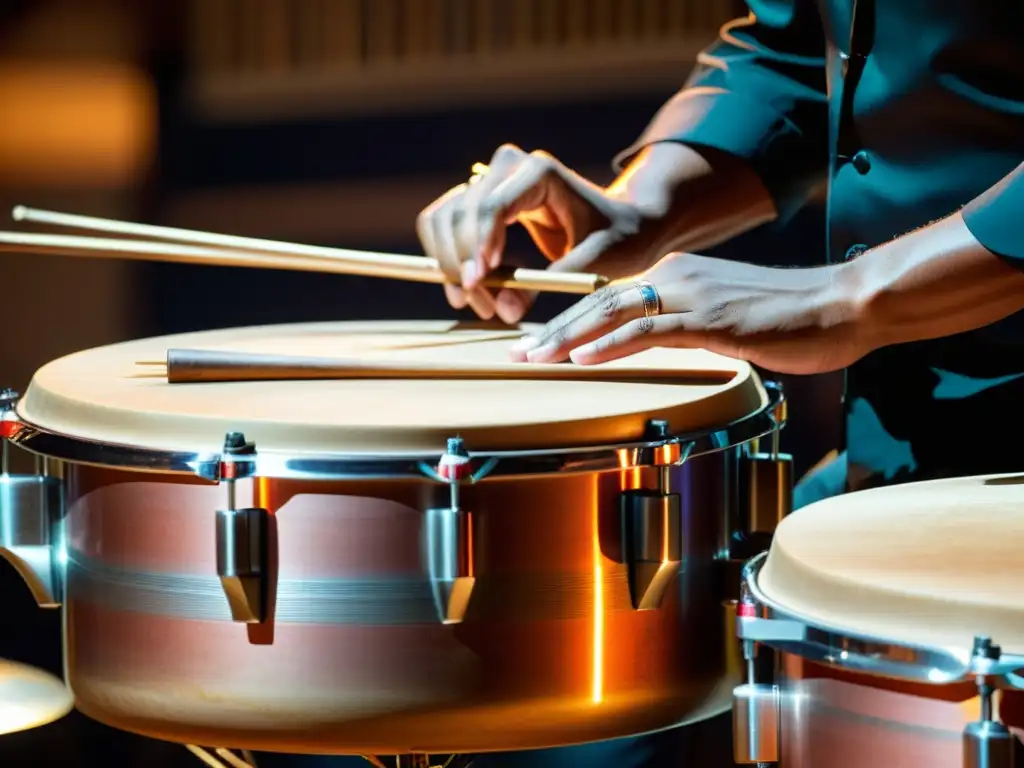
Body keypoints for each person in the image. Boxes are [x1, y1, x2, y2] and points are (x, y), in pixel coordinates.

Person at [409, 0, 1024, 766]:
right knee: (589, 723)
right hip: (901, 439)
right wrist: (641, 207)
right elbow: (795, 49)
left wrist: (848, 295)